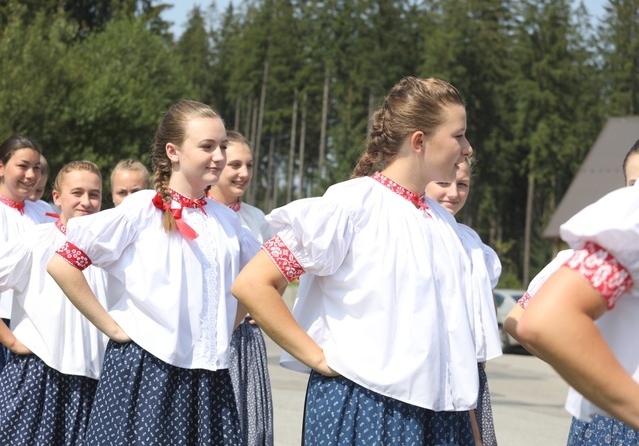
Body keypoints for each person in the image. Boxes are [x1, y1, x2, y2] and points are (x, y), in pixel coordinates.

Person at [232, 76, 478, 444]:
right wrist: (316, 357)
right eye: (458, 135)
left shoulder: (440, 220)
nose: (467, 148)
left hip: (438, 416)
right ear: (419, 141)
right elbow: (253, 283)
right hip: (365, 408)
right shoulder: (351, 205)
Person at [46, 100, 261, 445]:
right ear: (173, 151)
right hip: (147, 372)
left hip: (208, 380)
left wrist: (225, 325)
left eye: (222, 146)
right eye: (207, 146)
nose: (218, 156)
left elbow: (258, 280)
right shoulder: (143, 208)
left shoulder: (227, 221)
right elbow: (62, 263)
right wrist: (112, 327)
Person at [506, 139, 639, 443]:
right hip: (615, 421)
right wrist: (582, 368)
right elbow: (533, 321)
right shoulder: (625, 231)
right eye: (633, 185)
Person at [0, 160, 108, 445]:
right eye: (77, 193)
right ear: (56, 197)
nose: (86, 201)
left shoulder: (109, 249)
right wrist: (12, 342)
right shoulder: (36, 240)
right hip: (38, 373)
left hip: (92, 379)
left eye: (94, 194)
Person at [0, 135, 54, 407]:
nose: (31, 175)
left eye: (37, 168)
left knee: (27, 407)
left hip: (35, 324)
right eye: (23, 166)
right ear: (0, 167)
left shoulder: (45, 212)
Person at [425, 157, 502, 446]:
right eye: (443, 183)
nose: (454, 194)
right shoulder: (415, 235)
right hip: (432, 377)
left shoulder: (472, 244)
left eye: (463, 185)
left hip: (469, 375)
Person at [208, 130, 273, 445]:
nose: (244, 173)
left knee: (248, 428)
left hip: (245, 341)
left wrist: (259, 310)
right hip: (205, 337)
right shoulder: (195, 214)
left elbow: (276, 275)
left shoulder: (256, 218)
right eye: (235, 164)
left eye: (249, 165)